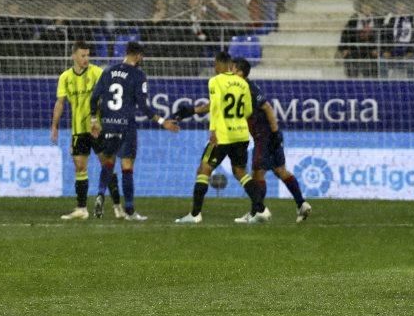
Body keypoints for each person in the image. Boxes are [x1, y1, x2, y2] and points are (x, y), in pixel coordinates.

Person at [174, 57, 312, 223]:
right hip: (254, 135)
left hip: (261, 136)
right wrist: (194, 110)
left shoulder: (245, 87)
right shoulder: (242, 86)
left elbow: (266, 107)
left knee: (255, 173)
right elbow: (220, 105)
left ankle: (257, 211)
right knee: (277, 170)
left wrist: (273, 133)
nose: (231, 70)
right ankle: (301, 203)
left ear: (240, 72)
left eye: (234, 69)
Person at [175, 52, 271, 224]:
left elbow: (217, 106)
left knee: (203, 170)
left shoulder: (215, 81)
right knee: (240, 172)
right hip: (241, 134)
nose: (214, 67)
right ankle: (261, 209)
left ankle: (195, 215)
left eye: (215, 64)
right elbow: (248, 110)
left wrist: (213, 131)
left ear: (220, 64)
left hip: (222, 135)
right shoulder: (243, 83)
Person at [89, 42, 180, 221]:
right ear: (138, 55)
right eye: (142, 56)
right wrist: (162, 121)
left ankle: (100, 193)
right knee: (127, 167)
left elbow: (94, 98)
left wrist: (94, 120)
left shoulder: (108, 71)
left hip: (108, 123)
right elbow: (144, 106)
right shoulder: (138, 75)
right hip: (126, 125)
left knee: (108, 162)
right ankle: (130, 211)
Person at [52, 41, 123, 220]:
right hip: (79, 131)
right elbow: (60, 103)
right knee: (80, 167)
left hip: (97, 129)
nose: (86, 59)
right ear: (74, 56)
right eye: (82, 55)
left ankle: (117, 206)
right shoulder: (65, 77)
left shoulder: (97, 73)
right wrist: (54, 126)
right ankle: (81, 209)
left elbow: (109, 98)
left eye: (87, 55)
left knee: (107, 165)